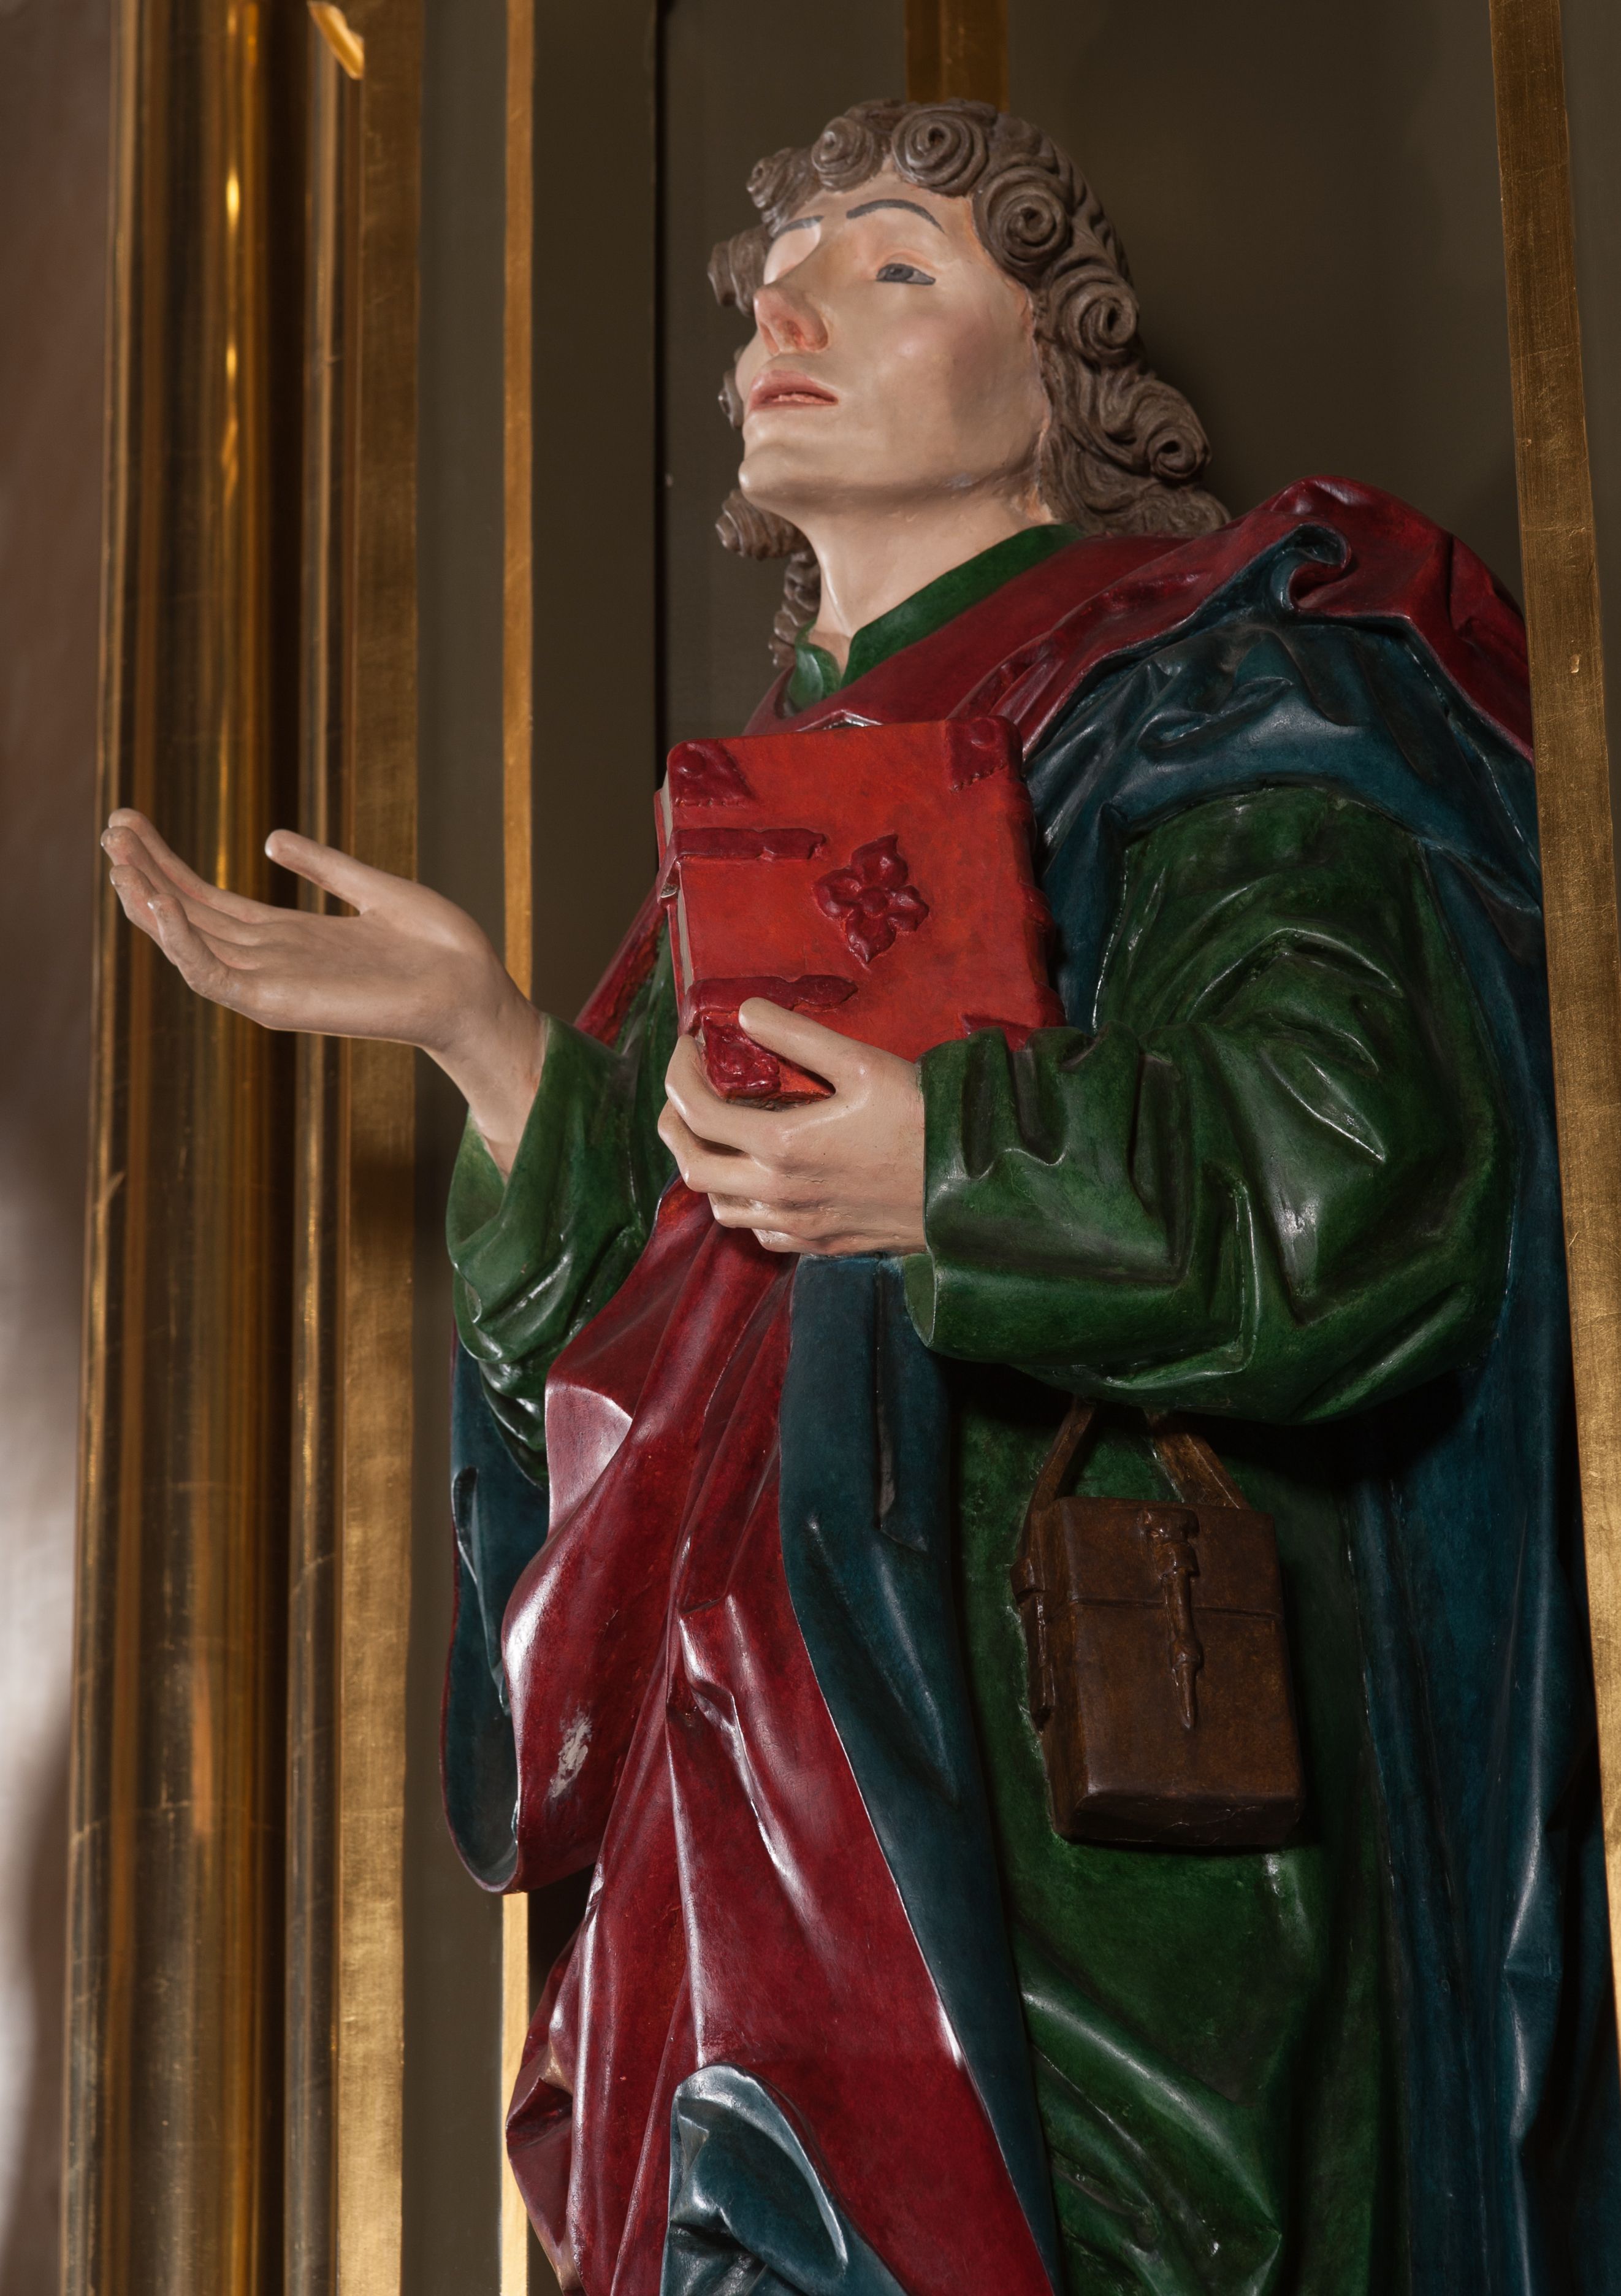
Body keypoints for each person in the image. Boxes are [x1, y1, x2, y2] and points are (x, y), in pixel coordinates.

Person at [104, 97, 1618, 2296]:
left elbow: (1355, 1190)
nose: (785, 320)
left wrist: (950, 1168)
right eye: (768, 292)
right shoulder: (751, 833)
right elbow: (647, 1394)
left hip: (1050, 1864)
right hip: (726, 1860)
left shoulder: (1226, 689)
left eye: (894, 266)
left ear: (1065, 388)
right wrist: (491, 1045)